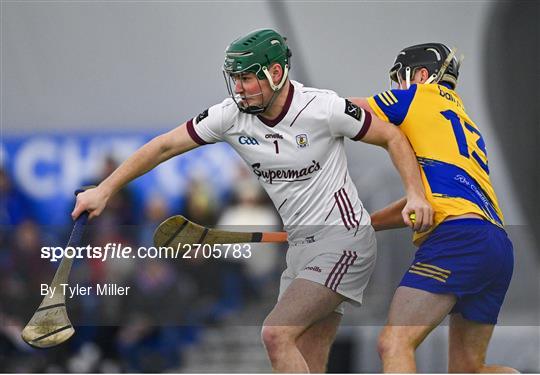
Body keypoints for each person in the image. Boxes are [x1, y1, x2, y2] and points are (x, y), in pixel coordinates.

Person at [71, 29, 432, 373]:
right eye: (235, 79)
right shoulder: (230, 116)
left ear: (276, 72)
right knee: (307, 356)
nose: (239, 89)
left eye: (247, 78)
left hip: (344, 240)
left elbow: (392, 137)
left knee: (276, 333)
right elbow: (164, 145)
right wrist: (103, 189)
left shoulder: (323, 108)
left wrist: (415, 193)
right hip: (301, 249)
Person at [351, 43, 517, 373]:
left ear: (422, 75)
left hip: (457, 239)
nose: (396, 87)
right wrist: (365, 223)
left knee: (394, 343)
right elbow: (429, 199)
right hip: (496, 244)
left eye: (400, 78)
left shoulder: (414, 98)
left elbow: (335, 110)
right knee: (470, 369)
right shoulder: (461, 119)